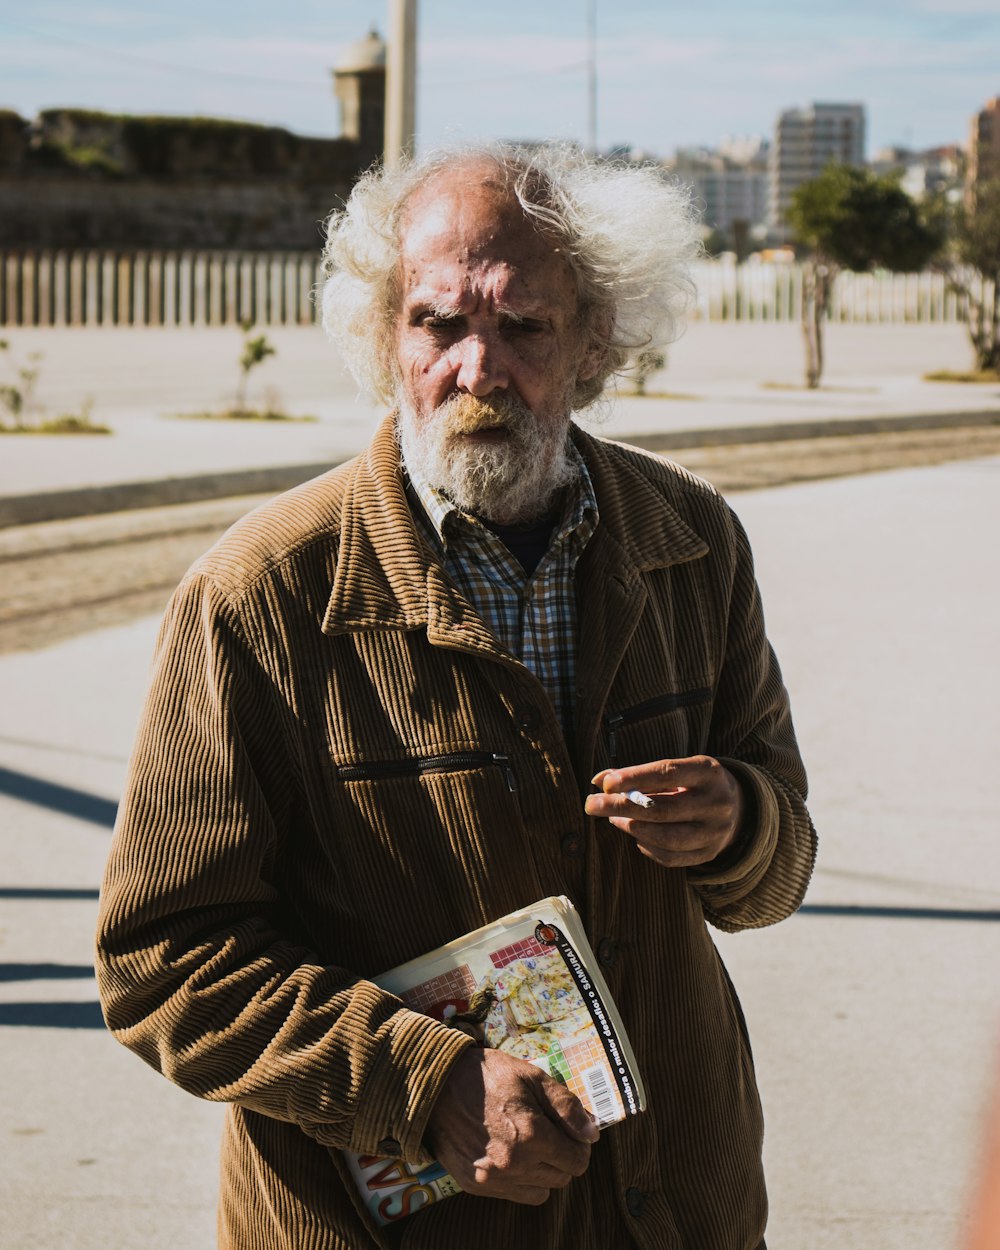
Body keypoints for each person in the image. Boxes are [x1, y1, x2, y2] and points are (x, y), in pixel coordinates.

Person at [96, 143, 816, 1250]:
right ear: (386, 338)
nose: (477, 366)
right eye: (437, 321)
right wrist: (420, 1082)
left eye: (524, 325)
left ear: (594, 344)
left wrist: (740, 822)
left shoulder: (692, 543)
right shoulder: (260, 594)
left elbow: (773, 876)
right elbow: (165, 960)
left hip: (676, 1203)